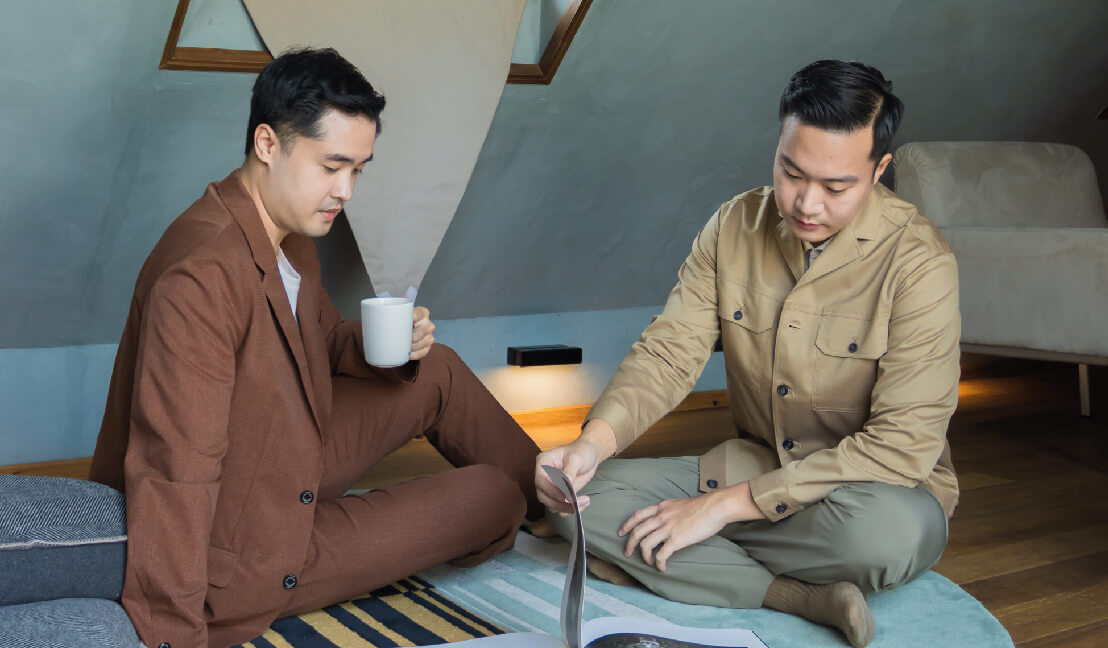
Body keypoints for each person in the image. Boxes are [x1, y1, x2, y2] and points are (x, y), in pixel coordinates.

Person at [89, 47, 544, 648]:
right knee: (493, 497)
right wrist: (173, 632)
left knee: (434, 368)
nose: (345, 190)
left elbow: (321, 340)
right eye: (332, 166)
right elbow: (176, 467)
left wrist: (392, 345)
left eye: (358, 170)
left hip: (281, 450)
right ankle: (530, 502)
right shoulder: (201, 276)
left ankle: (557, 501)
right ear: (268, 144)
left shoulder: (289, 230)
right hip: (239, 548)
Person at [536, 60, 960, 648]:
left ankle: (678, 562)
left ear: (879, 170)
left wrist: (721, 509)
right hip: (759, 463)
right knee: (574, 503)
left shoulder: (921, 263)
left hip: (871, 492)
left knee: (889, 539)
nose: (806, 203)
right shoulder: (734, 224)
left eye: (836, 187)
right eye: (791, 172)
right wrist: (592, 443)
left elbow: (901, 446)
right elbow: (668, 353)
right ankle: (794, 595)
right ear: (778, 145)